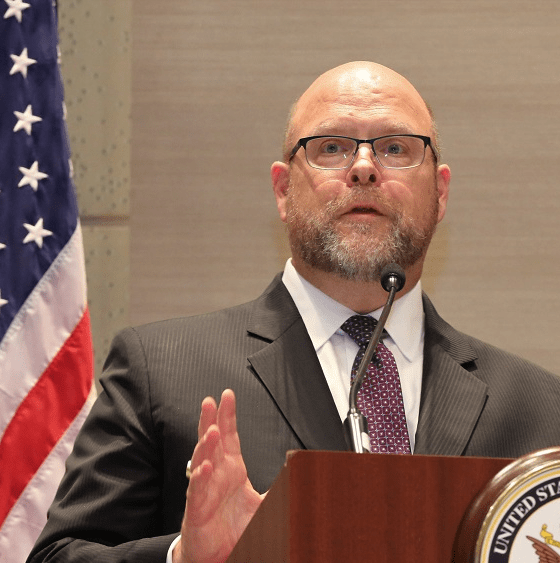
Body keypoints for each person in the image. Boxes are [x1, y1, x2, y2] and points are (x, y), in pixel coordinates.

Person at [28, 61, 560, 563]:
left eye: (396, 148)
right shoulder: (159, 371)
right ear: (283, 190)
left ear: (440, 194)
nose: (364, 168)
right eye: (331, 147)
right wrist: (184, 556)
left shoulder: (538, 406)